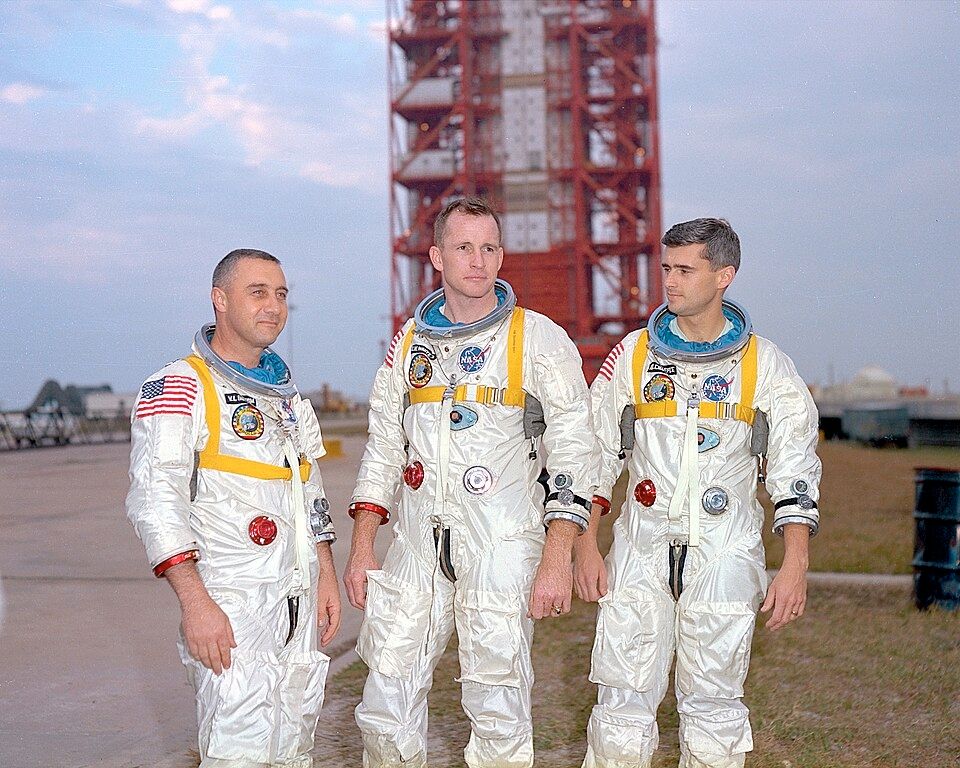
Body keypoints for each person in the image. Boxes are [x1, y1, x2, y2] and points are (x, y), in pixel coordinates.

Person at [343, 197, 599, 768]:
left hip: (501, 543)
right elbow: (383, 445)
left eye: (488, 248)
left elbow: (575, 454)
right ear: (436, 256)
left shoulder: (537, 339)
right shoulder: (410, 344)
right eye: (464, 247)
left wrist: (557, 557)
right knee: (386, 698)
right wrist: (362, 548)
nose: (478, 261)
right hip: (417, 546)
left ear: (502, 256)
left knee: (497, 704)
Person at [575, 218, 821, 768]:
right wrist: (586, 544)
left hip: (724, 551)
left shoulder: (765, 367)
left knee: (714, 709)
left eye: (685, 270)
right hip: (640, 549)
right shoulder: (634, 357)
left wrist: (795, 563)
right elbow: (594, 455)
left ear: (724, 275)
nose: (670, 281)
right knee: (621, 707)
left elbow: (794, 469)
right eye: (667, 267)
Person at [126, 248, 341, 768]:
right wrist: (195, 603)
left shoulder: (288, 399)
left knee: (294, 747)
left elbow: (309, 490)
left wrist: (325, 574)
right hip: (229, 606)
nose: (274, 306)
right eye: (258, 292)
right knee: (238, 751)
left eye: (282, 294)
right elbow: (154, 500)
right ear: (219, 300)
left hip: (295, 600)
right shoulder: (180, 384)